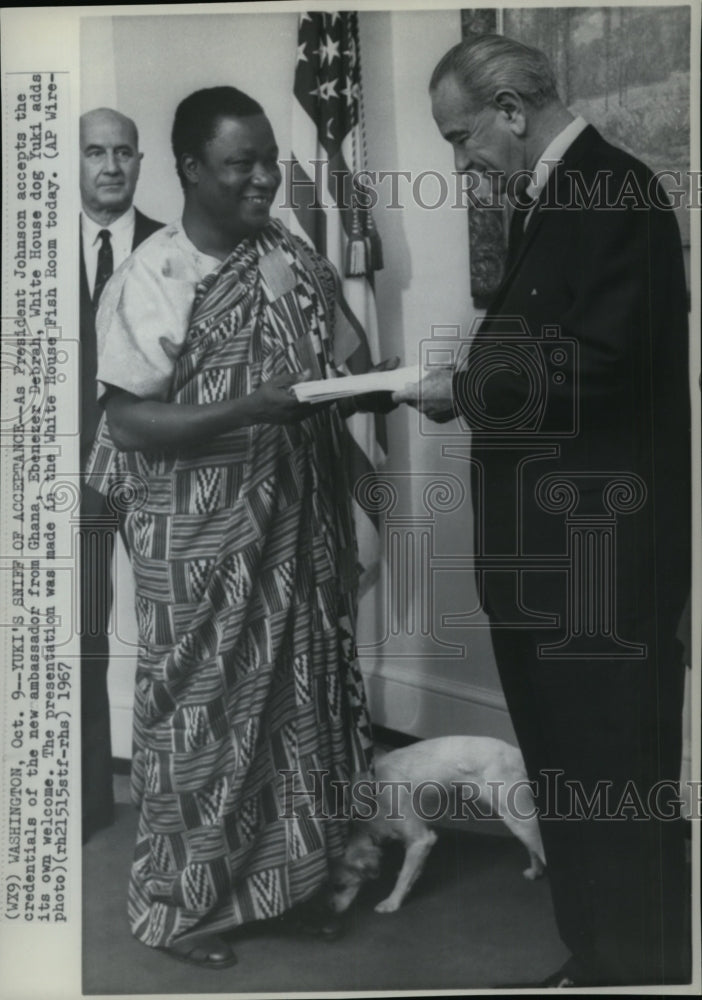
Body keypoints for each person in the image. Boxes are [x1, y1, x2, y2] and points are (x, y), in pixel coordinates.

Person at [395, 34, 691, 988]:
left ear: (513, 110)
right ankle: (597, 957)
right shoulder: (559, 198)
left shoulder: (619, 193)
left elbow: (601, 368)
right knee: (570, 778)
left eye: (460, 135)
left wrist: (464, 387)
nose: (458, 160)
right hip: (549, 568)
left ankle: (637, 969)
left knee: (613, 783)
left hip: (597, 572)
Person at [85, 86, 391, 969]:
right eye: (240, 164)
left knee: (301, 712)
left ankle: (290, 885)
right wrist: (248, 408)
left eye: (269, 161)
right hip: (200, 546)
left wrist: (401, 387)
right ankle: (179, 911)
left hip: (298, 526)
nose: (264, 178)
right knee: (202, 722)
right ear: (187, 169)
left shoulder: (288, 255)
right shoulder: (152, 274)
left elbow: (351, 357)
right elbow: (130, 424)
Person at [79, 108, 163, 844]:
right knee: (77, 632)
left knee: (176, 626)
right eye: (94, 152)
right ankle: (82, 806)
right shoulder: (27, 249)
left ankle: (172, 798)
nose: (110, 166)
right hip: (64, 475)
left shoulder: (170, 249)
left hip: (154, 466)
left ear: (141, 161)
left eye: (123, 152)